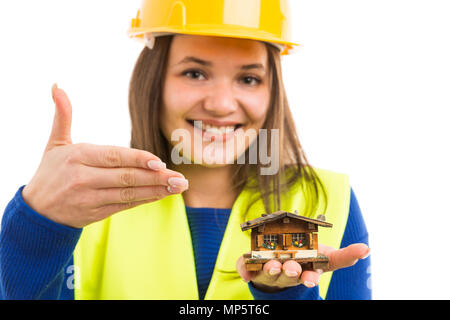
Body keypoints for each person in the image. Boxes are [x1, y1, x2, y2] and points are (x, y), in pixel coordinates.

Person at [0, 0, 371, 300]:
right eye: (195, 73)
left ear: (272, 91)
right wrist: (38, 227)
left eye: (248, 78)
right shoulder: (84, 201)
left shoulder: (327, 200)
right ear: (154, 80)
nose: (222, 104)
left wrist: (288, 295)